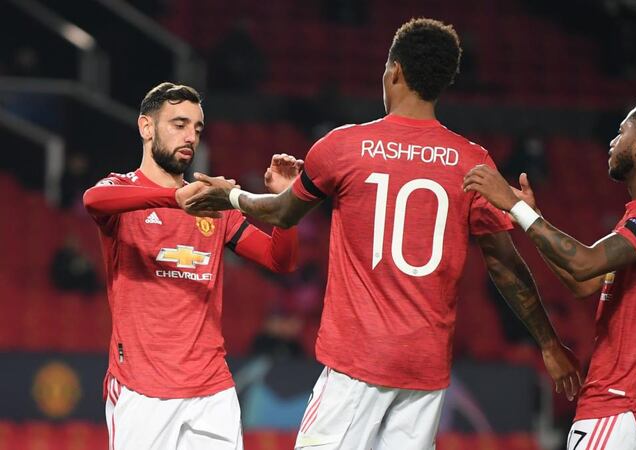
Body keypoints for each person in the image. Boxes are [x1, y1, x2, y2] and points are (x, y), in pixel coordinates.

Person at [181, 18, 581, 450]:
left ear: (394, 72)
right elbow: (506, 266)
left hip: (357, 365)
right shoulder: (473, 161)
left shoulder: (343, 146)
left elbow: (281, 214)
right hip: (423, 374)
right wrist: (549, 342)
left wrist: (232, 196)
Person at [463, 99, 636, 449]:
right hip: (631, 404)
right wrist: (532, 217)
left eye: (621, 132)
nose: (612, 141)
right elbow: (584, 282)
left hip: (623, 399)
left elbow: (584, 263)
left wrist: (513, 206)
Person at [82, 82, 300, 450]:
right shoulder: (123, 190)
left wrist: (287, 204)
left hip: (212, 391)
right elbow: (94, 200)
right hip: (142, 390)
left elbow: (280, 261)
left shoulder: (215, 205)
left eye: (197, 128)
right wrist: (174, 199)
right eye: (179, 124)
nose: (190, 136)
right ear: (146, 128)